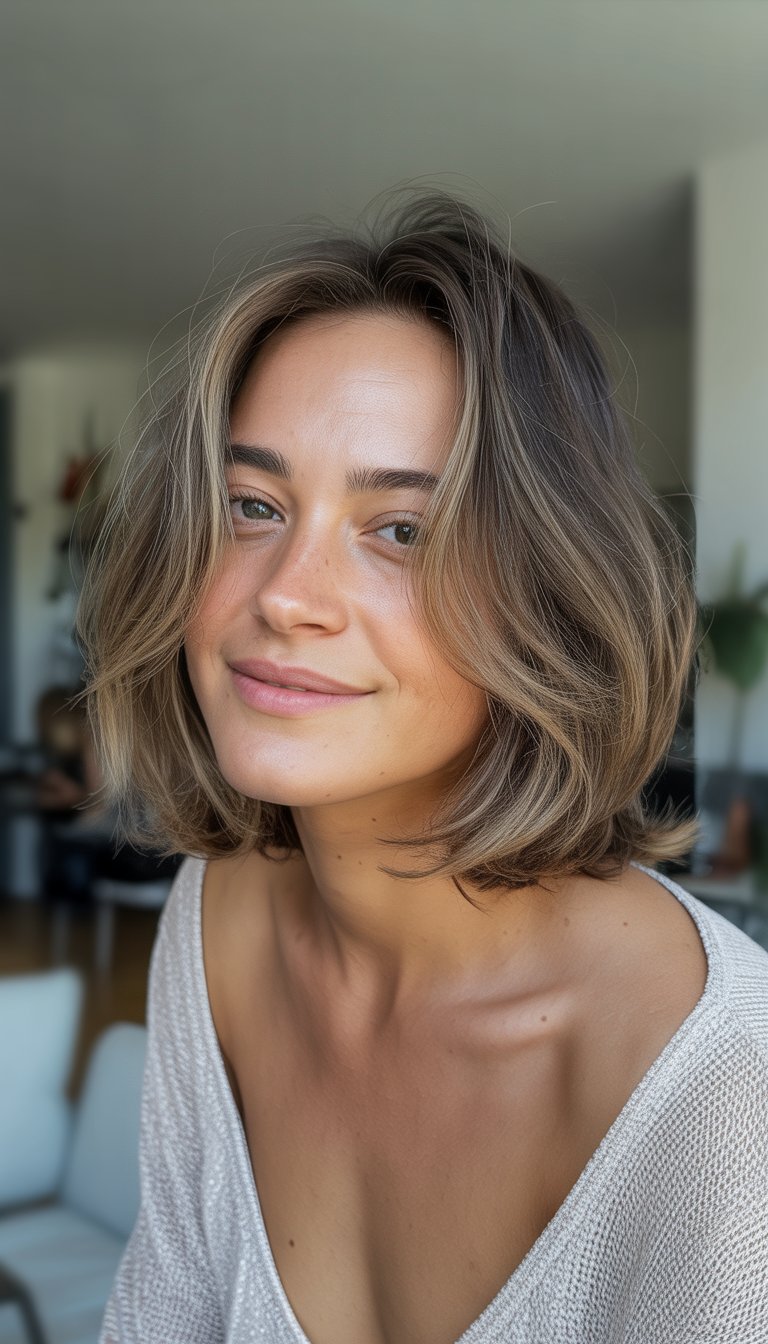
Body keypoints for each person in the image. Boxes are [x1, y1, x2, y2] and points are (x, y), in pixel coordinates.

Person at [82, 191, 768, 1343]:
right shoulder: (218, 922)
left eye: (402, 530)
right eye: (253, 506)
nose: (286, 595)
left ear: (549, 597)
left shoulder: (723, 1108)